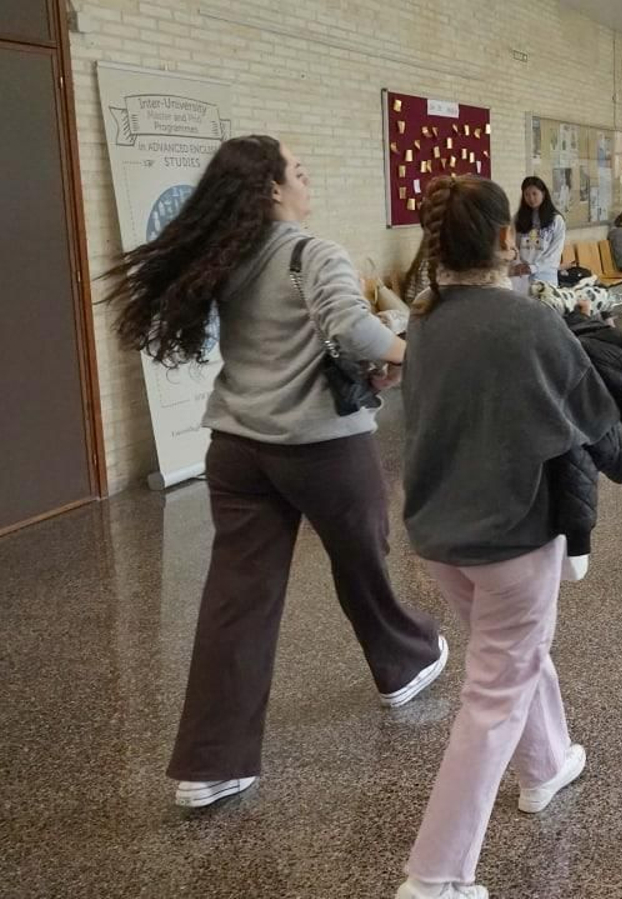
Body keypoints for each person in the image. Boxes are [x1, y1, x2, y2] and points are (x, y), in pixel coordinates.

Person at [103, 135, 446, 810]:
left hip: (235, 448)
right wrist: (423, 352)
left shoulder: (226, 256)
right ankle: (404, 662)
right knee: (363, 558)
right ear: (271, 189)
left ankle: (211, 764)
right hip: (320, 446)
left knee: (238, 598)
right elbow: (354, 330)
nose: (307, 178)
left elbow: (297, 337)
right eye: (299, 170)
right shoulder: (312, 252)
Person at [397, 175, 622, 899]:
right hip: (512, 535)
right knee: (494, 691)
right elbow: (593, 412)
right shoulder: (529, 323)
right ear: (507, 239)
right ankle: (435, 874)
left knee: (512, 655)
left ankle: (547, 762)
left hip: (441, 536)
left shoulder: (426, 322)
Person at [510, 176, 565, 295]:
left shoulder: (556, 220)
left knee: (546, 310)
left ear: (543, 194)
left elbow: (555, 252)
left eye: (535, 194)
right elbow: (512, 244)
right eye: (527, 194)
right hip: (522, 276)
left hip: (546, 276)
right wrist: (518, 264)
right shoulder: (518, 218)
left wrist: (534, 267)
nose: (531, 198)